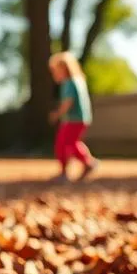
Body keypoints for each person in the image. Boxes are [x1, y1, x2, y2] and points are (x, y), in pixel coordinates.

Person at [48, 51, 97, 181]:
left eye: (55, 70)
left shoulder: (69, 83)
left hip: (74, 119)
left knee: (62, 143)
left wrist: (57, 114)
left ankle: (66, 171)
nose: (54, 74)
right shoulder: (78, 80)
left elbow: (68, 102)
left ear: (64, 68)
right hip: (81, 118)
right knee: (72, 143)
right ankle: (88, 163)